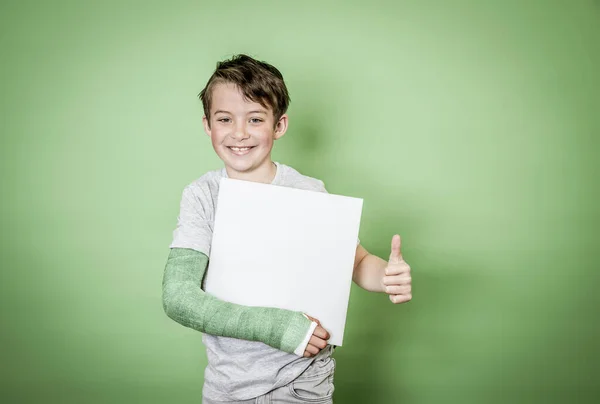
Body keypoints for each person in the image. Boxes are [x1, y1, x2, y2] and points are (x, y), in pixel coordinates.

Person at [162, 54, 412, 403]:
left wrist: (386, 275)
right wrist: (278, 327)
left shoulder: (309, 191)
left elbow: (355, 263)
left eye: (255, 119)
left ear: (279, 126)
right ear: (207, 125)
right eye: (225, 119)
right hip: (230, 386)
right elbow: (179, 299)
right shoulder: (202, 196)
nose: (239, 133)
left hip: (304, 381)